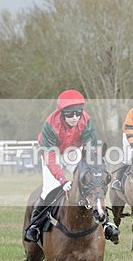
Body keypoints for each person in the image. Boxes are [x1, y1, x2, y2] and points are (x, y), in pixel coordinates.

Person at [23, 89, 119, 243]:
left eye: (78, 113)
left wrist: (93, 169)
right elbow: (50, 157)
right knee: (49, 189)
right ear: (62, 113)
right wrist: (62, 180)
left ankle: (106, 222)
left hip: (73, 151)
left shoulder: (86, 120)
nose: (75, 117)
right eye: (70, 114)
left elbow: (91, 151)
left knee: (93, 183)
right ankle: (35, 225)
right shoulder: (50, 125)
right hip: (52, 154)